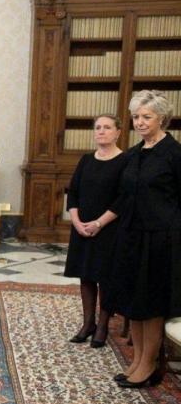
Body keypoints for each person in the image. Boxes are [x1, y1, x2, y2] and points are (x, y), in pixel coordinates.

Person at [107, 90, 179, 388]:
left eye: (146, 117)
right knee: (133, 303)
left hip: (160, 240)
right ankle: (136, 360)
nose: (139, 122)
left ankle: (148, 365)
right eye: (136, 116)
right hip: (131, 237)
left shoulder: (174, 153)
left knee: (151, 305)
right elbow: (125, 196)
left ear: (161, 118)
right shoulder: (134, 153)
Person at [64, 114, 126, 348]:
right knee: (86, 275)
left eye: (107, 127)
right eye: (98, 127)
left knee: (106, 278)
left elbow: (123, 199)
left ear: (118, 132)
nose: (101, 131)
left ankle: (102, 326)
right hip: (82, 228)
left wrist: (99, 223)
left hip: (109, 228)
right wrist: (77, 222)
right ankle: (88, 323)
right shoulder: (86, 160)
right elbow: (73, 192)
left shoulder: (125, 161)